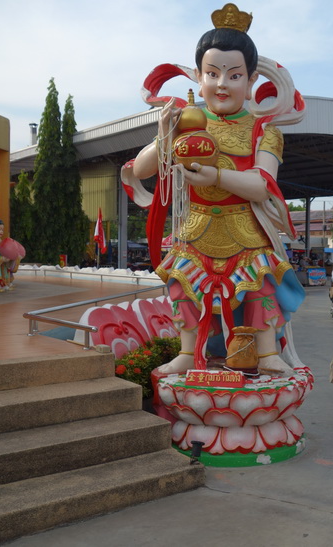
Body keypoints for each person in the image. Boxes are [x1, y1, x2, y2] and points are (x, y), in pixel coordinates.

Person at [120, 4, 305, 376]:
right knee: (185, 286)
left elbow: (261, 185)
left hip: (246, 229)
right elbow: (140, 169)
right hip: (196, 227)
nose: (222, 84)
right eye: (212, 74)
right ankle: (190, 351)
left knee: (258, 286)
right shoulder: (188, 122)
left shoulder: (264, 131)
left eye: (234, 75)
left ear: (251, 80)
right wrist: (166, 135)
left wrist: (217, 177)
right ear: (198, 78)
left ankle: (266, 352)